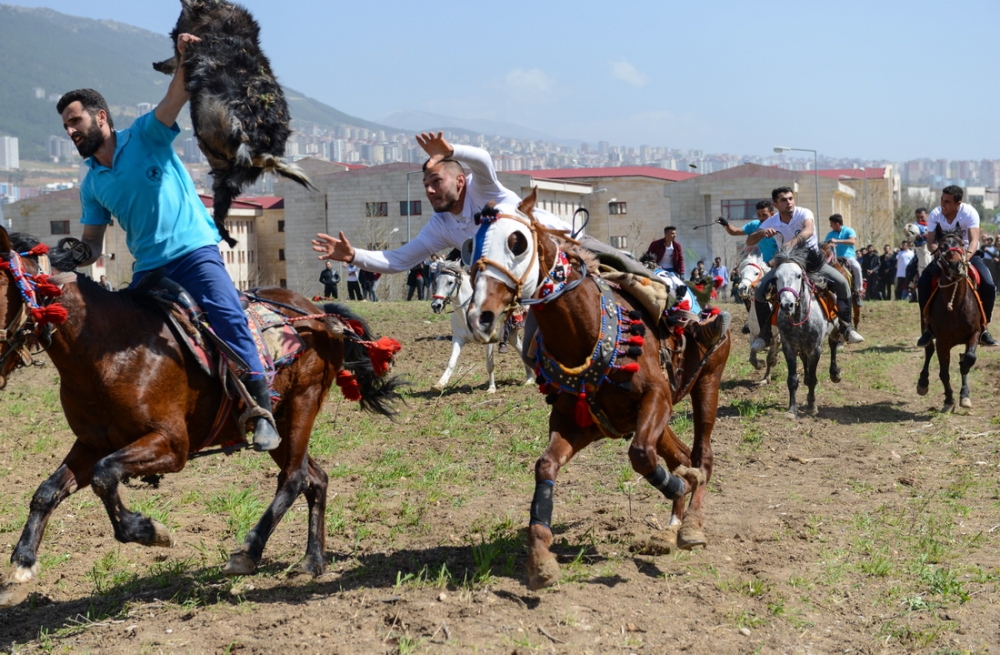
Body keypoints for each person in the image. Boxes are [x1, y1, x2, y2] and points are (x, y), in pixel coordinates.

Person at [56, 35, 280, 451]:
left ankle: (260, 410)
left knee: (227, 315)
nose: (71, 131)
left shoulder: (146, 135)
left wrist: (183, 60)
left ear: (100, 117)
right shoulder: (91, 184)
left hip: (194, 252)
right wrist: (69, 255)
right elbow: (93, 245)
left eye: (75, 122)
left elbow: (174, 97)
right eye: (66, 127)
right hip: (148, 270)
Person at [747, 187, 864, 352]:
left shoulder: (803, 213)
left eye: (790, 198)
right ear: (775, 204)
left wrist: (792, 243)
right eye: (783, 200)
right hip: (786, 264)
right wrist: (761, 233)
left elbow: (808, 230)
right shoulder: (771, 221)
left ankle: (846, 327)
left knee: (842, 282)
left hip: (812, 262)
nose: (789, 202)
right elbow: (749, 241)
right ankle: (765, 335)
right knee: (759, 289)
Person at [915, 185, 998, 347]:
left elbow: (974, 241)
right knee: (923, 283)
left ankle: (984, 328)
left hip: (967, 255)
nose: (942, 205)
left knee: (988, 285)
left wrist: (965, 258)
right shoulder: (935, 214)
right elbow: (931, 242)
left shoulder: (969, 213)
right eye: (942, 200)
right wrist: (939, 253)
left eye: (947, 202)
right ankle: (928, 327)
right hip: (944, 256)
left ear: (958, 204)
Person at [824, 214, 864, 306]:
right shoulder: (830, 234)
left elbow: (852, 241)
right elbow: (825, 245)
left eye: (831, 224)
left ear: (837, 223)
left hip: (848, 257)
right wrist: (829, 245)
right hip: (835, 258)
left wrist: (837, 241)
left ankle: (858, 291)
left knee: (857, 267)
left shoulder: (849, 230)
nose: (830, 226)